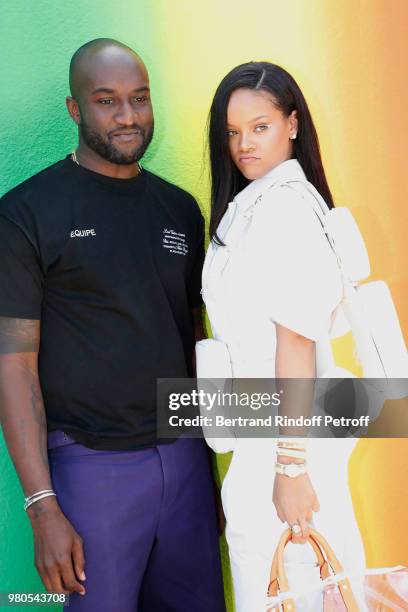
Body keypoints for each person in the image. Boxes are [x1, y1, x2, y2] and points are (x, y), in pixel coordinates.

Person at [0, 38, 226, 612]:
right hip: (91, 468)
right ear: (76, 109)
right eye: (106, 101)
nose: (128, 116)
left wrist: (216, 470)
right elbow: (14, 363)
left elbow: (196, 341)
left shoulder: (180, 210)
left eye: (140, 98)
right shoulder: (27, 212)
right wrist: (42, 505)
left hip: (185, 458)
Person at [198, 62, 367, 611]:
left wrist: (291, 467)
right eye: (231, 132)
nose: (243, 144)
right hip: (264, 434)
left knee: (295, 584)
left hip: (287, 438)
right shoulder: (260, 204)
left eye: (260, 126)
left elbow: (296, 342)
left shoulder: (285, 211)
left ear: (293, 124)